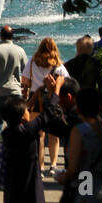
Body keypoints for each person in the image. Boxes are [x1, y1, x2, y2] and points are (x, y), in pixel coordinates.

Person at [23, 37, 69, 175]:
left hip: (35, 99)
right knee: (54, 134)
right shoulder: (59, 65)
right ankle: (53, 165)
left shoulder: (32, 62)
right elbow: (67, 81)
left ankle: (40, 166)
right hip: (52, 99)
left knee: (39, 135)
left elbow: (24, 79)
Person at [0, 24, 27, 145]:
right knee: (16, 124)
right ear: (13, 36)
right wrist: (26, 92)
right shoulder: (20, 51)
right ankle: (15, 150)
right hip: (15, 91)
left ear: (1, 36)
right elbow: (26, 73)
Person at [67, 34, 102, 98]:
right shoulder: (96, 63)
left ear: (78, 48)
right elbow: (101, 84)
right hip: (91, 96)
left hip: (75, 97)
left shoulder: (69, 64)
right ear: (90, 48)